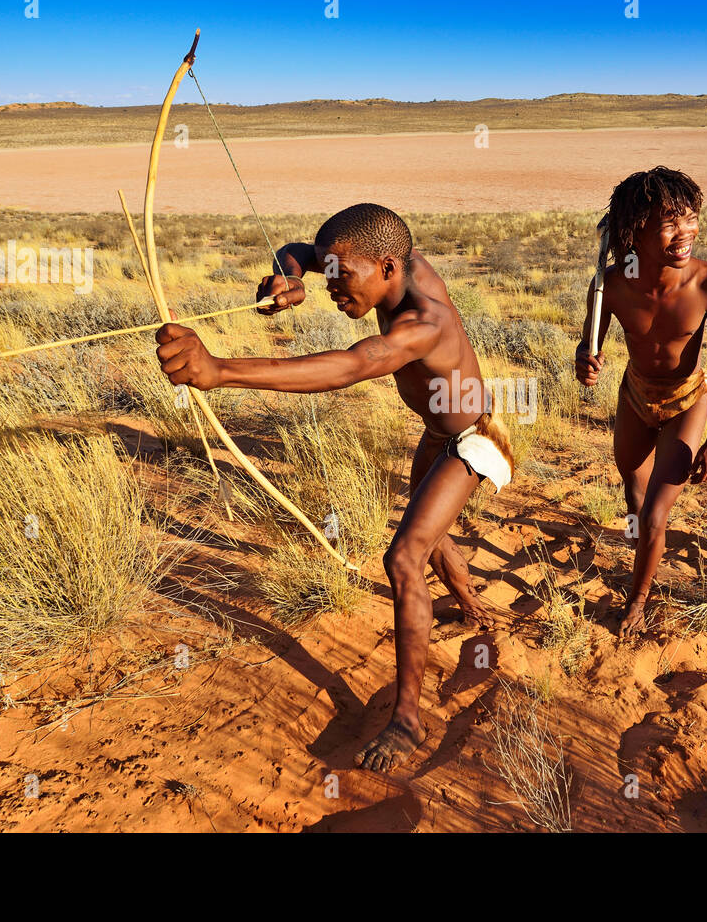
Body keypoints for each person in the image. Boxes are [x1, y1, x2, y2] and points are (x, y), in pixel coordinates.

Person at [156, 203, 513, 773]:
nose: (331, 288)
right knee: (431, 533)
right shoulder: (389, 262)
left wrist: (219, 370)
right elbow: (299, 249)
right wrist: (291, 274)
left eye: (340, 276)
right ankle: (471, 605)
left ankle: (408, 719)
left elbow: (349, 367)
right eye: (328, 274)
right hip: (439, 428)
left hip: (473, 439)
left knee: (404, 557)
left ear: (389, 267)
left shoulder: (425, 322)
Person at [575, 167, 707, 636]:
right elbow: (590, 347)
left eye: (690, 218)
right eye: (670, 222)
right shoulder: (611, 284)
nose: (686, 232)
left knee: (655, 513)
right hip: (635, 394)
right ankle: (642, 537)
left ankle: (638, 598)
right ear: (634, 230)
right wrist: (585, 362)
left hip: (688, 399)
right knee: (633, 486)